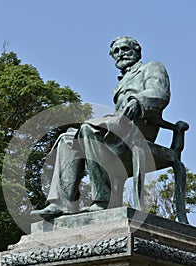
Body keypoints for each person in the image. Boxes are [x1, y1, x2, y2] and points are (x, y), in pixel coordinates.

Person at [38, 36, 170, 216]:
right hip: (117, 129)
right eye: (116, 52)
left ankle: (102, 201)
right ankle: (62, 203)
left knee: (87, 129)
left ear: (137, 50)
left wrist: (138, 101)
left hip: (139, 128)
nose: (120, 54)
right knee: (67, 139)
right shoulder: (122, 81)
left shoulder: (151, 67)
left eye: (124, 49)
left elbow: (160, 93)